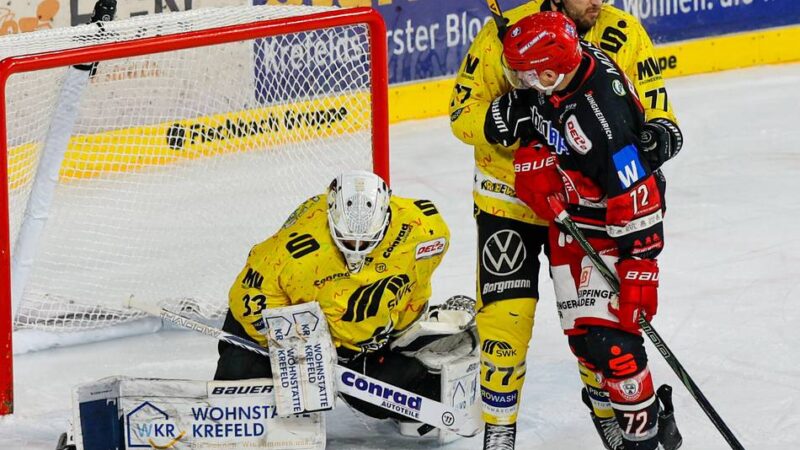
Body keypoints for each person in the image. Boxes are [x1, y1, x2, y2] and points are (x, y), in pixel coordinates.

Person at [448, 0, 682, 447]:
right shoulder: (508, 35)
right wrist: (503, 121)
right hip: (509, 201)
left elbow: (655, 109)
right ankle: (500, 432)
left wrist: (658, 135)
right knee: (506, 323)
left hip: (586, 213)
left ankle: (611, 417)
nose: (598, 1)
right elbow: (462, 116)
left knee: (590, 323)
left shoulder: (621, 31)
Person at [213, 170, 478, 434]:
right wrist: (297, 348)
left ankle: (428, 349)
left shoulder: (424, 229)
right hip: (296, 335)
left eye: (368, 240)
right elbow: (246, 300)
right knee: (243, 383)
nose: (357, 248)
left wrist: (403, 329)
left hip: (360, 341)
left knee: (383, 397)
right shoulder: (293, 251)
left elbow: (416, 282)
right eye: (348, 239)